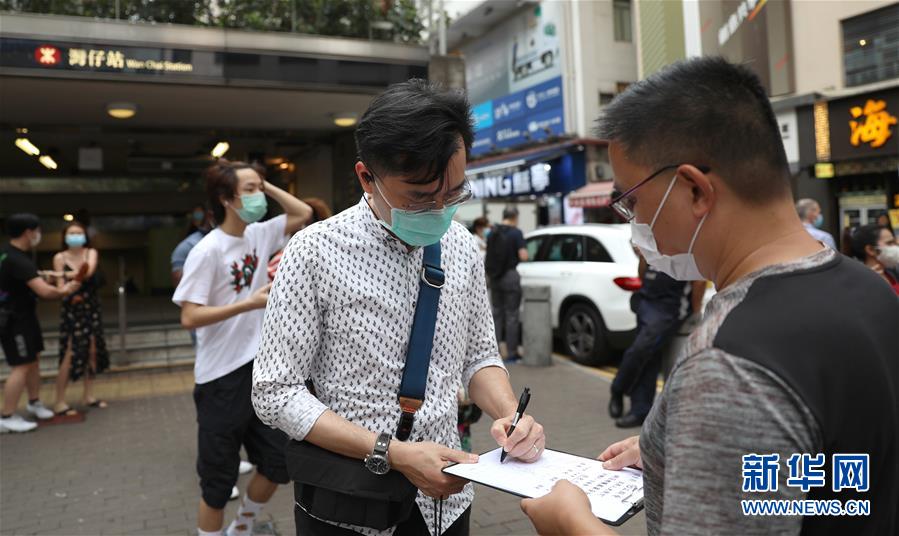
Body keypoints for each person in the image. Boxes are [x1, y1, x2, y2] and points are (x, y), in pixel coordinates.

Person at [521, 57, 898, 535]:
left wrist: (571, 522)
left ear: (695, 191)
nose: (634, 222)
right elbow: (842, 472)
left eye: (632, 201)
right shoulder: (872, 289)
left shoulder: (729, 362)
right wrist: (682, 450)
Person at [252, 79, 546, 536]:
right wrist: (393, 453)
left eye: (454, 193)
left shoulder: (463, 247)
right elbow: (275, 392)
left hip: (446, 502)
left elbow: (479, 357)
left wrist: (510, 415)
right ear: (366, 177)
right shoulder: (313, 252)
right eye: (420, 197)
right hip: (348, 504)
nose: (440, 209)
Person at [173, 159, 312, 536]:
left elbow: (303, 212)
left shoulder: (258, 234)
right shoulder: (207, 250)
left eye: (259, 188)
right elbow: (190, 316)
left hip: (260, 370)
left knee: (278, 462)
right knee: (217, 482)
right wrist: (248, 304)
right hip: (219, 379)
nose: (258, 196)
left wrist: (265, 186)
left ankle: (242, 527)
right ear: (226, 199)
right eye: (249, 190)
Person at [1, 214, 80, 433]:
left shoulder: (9, 253)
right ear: (28, 232)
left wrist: (50, 277)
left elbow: (29, 280)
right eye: (37, 230)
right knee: (21, 366)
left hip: (24, 316)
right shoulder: (17, 259)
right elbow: (45, 292)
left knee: (33, 360)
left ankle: (34, 402)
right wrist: (65, 290)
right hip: (14, 320)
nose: (39, 234)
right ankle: (6, 416)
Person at [608, 255, 705, 428]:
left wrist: (696, 313)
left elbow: (699, 282)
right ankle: (639, 409)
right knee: (647, 356)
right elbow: (642, 271)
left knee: (642, 349)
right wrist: (642, 257)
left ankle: (619, 388)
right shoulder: (654, 242)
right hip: (646, 303)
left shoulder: (687, 247)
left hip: (669, 308)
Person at [51, 221, 110, 416]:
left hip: (91, 307)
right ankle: (59, 400)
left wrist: (64, 275)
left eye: (79, 232)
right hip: (72, 308)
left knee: (92, 350)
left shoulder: (90, 253)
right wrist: (66, 281)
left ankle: (88, 395)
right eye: (71, 233)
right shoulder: (59, 257)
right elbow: (60, 287)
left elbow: (88, 271)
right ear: (64, 236)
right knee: (70, 352)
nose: (75, 236)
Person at [485, 207, 528, 363]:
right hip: (510, 276)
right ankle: (511, 353)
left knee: (496, 315)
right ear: (515, 216)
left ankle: (493, 353)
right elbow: (523, 256)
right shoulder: (516, 233)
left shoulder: (492, 233)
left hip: (495, 277)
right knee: (511, 316)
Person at [847, 224, 899, 295]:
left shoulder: (891, 272)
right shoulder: (862, 281)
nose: (896, 247)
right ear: (870, 250)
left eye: (895, 242)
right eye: (889, 243)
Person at [172, 205, 215, 287]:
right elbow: (178, 280)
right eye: (196, 215)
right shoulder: (188, 245)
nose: (197, 218)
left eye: (199, 215)